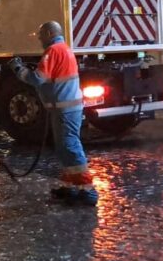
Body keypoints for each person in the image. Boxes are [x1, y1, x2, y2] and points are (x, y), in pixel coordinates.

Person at [8, 21, 98, 206]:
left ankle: (88, 190)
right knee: (64, 148)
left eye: (41, 34)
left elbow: (37, 79)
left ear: (49, 33)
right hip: (64, 108)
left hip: (65, 109)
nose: (39, 38)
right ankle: (70, 187)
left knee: (70, 146)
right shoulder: (63, 49)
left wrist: (19, 69)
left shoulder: (53, 51)